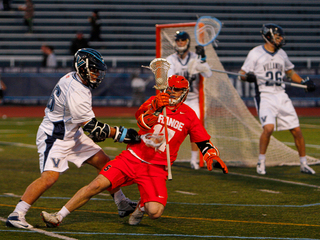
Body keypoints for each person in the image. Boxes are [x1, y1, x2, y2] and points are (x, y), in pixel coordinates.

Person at [40, 75, 228, 227]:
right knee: (96, 185)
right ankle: (59, 216)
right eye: (170, 88)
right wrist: (155, 108)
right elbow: (141, 121)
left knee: (155, 212)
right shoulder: (155, 101)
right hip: (133, 157)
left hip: (157, 168)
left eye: (177, 89)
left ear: (185, 92)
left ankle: (140, 207)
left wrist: (212, 155)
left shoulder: (189, 115)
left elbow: (203, 140)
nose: (172, 92)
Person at [6, 48, 140, 229]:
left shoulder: (74, 78)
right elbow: (93, 127)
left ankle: (121, 202)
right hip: (56, 136)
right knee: (49, 178)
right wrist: (121, 134)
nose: (97, 74)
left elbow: (88, 126)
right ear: (83, 68)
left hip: (72, 132)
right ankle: (17, 214)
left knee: (104, 162)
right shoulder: (77, 89)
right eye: (93, 69)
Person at [239, 23, 316, 175]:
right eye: (277, 36)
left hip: (281, 95)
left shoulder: (282, 54)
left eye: (281, 36)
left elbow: (289, 72)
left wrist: (303, 82)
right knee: (268, 128)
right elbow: (242, 73)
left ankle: (303, 163)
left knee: (296, 130)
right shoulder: (255, 53)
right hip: (265, 95)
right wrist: (248, 77)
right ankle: (261, 162)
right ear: (268, 36)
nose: (280, 39)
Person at [166, 31, 213, 170]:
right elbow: (171, 80)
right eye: (178, 41)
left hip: (192, 100)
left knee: (194, 130)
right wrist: (186, 81)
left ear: (187, 42)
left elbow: (208, 73)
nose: (180, 43)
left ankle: (194, 159)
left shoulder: (195, 58)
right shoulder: (171, 59)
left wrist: (203, 59)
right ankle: (166, 158)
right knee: (169, 129)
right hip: (176, 100)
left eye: (183, 41)